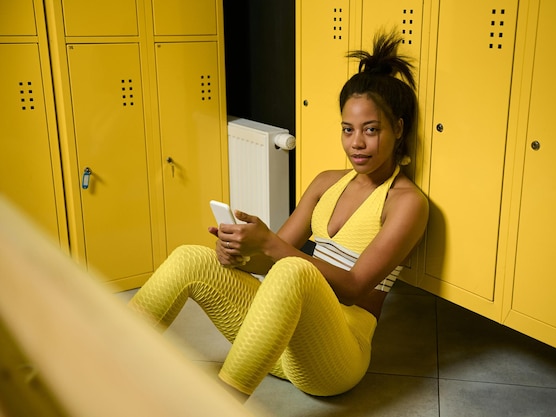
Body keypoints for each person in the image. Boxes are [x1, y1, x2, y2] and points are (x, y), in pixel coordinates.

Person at [128, 31, 429, 399]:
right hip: (278, 341)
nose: (357, 143)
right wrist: (239, 254)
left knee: (293, 268)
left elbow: (353, 287)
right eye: (348, 130)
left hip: (336, 357)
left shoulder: (406, 203)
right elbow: (270, 259)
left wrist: (270, 243)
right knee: (191, 258)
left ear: (398, 129)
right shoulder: (326, 183)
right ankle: (106, 364)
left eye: (371, 130)